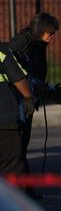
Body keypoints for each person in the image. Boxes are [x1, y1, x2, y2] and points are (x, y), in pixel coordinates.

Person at [8, 12, 59, 198]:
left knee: (23, 144)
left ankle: (26, 188)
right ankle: (21, 191)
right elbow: (9, 65)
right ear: (41, 29)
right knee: (18, 145)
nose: (52, 37)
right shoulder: (23, 41)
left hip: (29, 98)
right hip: (18, 100)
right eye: (50, 33)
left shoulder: (39, 44)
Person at [0, 43, 35, 176]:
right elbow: (18, 77)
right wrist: (28, 98)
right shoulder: (1, 50)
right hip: (4, 118)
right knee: (11, 167)